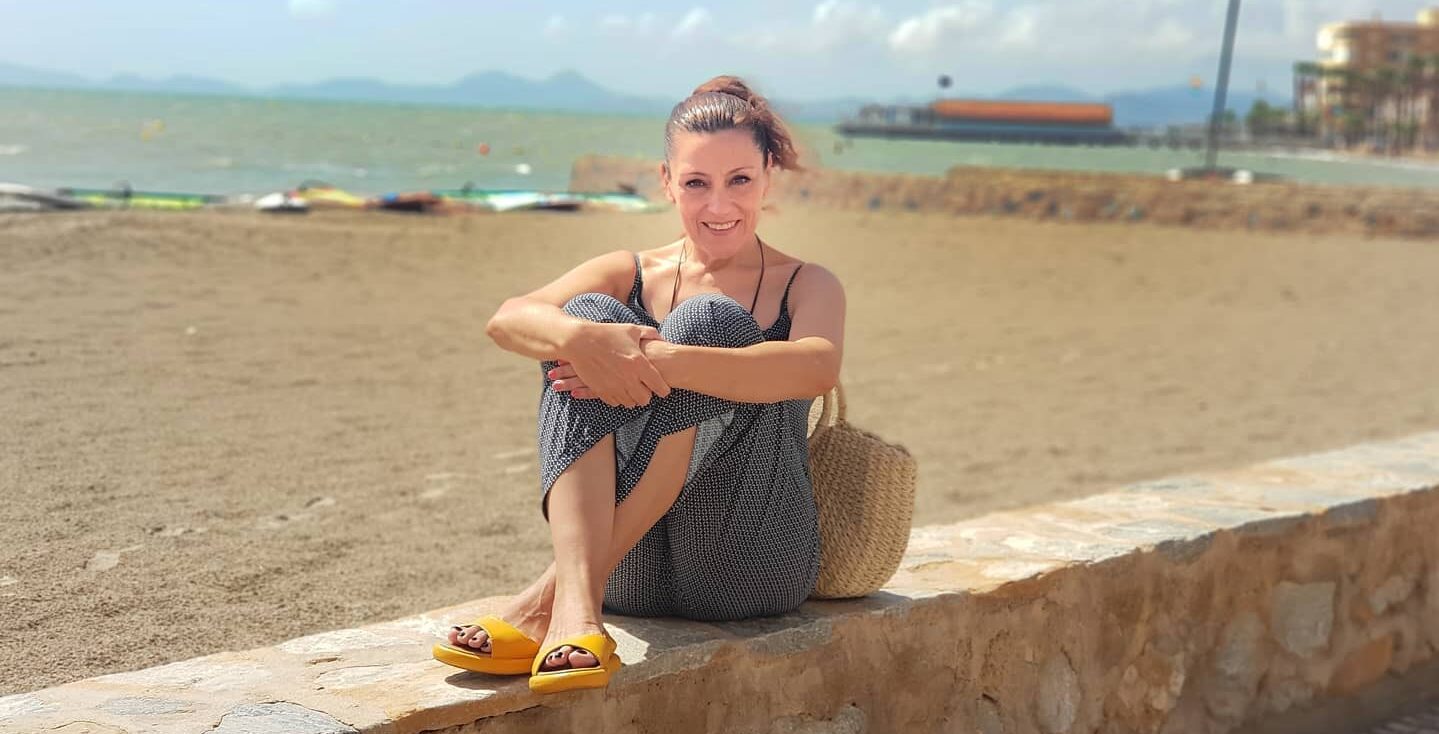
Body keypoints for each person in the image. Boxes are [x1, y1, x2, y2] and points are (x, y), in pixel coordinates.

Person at [432, 75, 846, 694]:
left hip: (747, 563)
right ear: (666, 181)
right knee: (587, 319)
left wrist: (665, 359)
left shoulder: (806, 283)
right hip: (628, 575)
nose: (719, 206)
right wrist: (583, 341)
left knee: (709, 321)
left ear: (768, 176)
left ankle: (551, 600)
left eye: (739, 180)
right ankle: (578, 609)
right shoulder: (629, 271)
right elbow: (509, 320)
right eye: (696, 183)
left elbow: (816, 365)